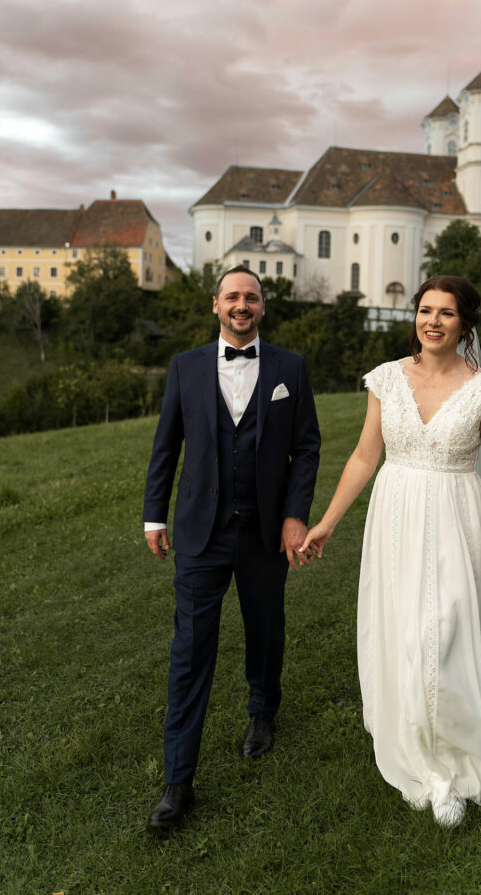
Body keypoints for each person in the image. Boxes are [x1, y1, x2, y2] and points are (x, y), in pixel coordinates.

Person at [300, 275, 481, 828]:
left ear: (464, 324)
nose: (434, 321)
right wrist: (327, 522)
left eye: (447, 313)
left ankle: (449, 762)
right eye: (426, 310)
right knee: (403, 632)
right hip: (394, 515)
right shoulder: (387, 380)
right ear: (414, 316)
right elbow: (362, 457)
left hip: (456, 518)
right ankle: (414, 744)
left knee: (443, 632)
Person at [143, 265, 321, 830]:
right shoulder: (184, 367)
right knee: (191, 649)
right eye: (232, 297)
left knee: (265, 628)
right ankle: (178, 782)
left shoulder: (291, 368)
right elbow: (166, 445)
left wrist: (296, 517)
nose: (242, 306)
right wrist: (154, 516)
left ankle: (262, 712)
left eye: (252, 297)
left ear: (263, 307)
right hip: (201, 530)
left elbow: (308, 447)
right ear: (216, 305)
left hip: (268, 532)